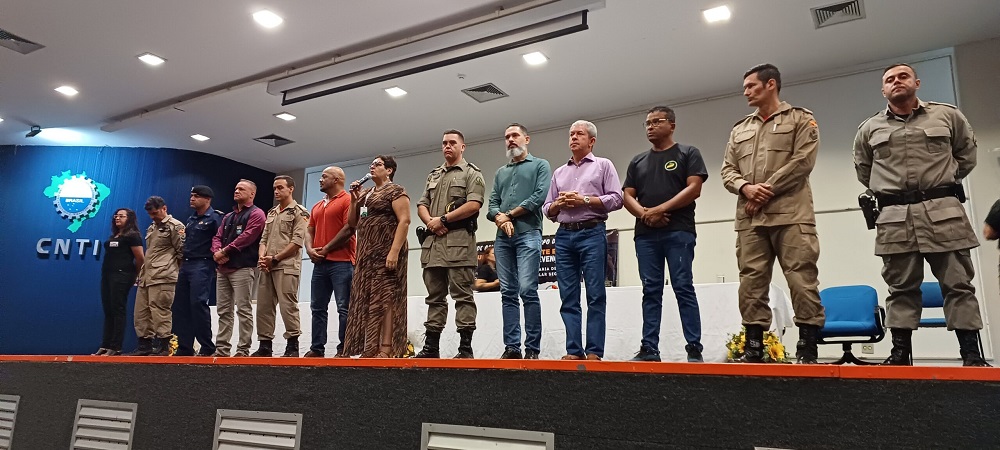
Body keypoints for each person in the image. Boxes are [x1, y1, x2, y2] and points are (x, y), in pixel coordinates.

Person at [853, 63, 989, 366]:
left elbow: (966, 156)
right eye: (890, 79)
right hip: (895, 218)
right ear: (883, 90)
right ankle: (899, 355)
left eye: (903, 76)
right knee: (900, 288)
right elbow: (865, 171)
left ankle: (971, 355)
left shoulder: (947, 115)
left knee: (958, 285)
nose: (896, 82)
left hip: (944, 214)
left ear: (917, 82)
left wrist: (941, 182)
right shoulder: (869, 128)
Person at [721, 63, 825, 364]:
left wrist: (764, 191)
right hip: (750, 219)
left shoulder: (801, 119)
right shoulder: (740, 129)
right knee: (751, 281)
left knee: (802, 279)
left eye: (751, 86)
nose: (746, 92)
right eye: (744, 87)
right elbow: (727, 170)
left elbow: (803, 161)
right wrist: (745, 188)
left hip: (791, 215)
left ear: (771, 85)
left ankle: (808, 349)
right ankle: (754, 348)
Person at [623, 106, 707, 363]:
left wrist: (660, 209)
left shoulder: (688, 153)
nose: (650, 126)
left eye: (656, 121)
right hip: (646, 236)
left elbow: (694, 188)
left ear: (672, 125)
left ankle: (694, 348)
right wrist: (645, 215)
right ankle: (649, 349)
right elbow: (627, 195)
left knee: (683, 286)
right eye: (647, 123)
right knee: (651, 289)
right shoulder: (637, 161)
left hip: (678, 231)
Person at [542, 120, 623, 361]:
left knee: (595, 294)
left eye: (579, 134)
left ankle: (594, 351)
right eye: (571, 134)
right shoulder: (559, 172)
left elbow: (616, 199)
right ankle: (574, 350)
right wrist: (559, 204)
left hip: (592, 232)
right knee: (568, 295)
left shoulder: (603, 165)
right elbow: (547, 208)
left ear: (592, 141)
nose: (574, 138)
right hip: (564, 235)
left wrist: (584, 200)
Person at [414, 129, 486, 359]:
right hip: (433, 245)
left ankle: (465, 349)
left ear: (462, 147)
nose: (447, 146)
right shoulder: (433, 175)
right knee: (434, 298)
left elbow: (474, 204)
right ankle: (431, 348)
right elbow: (421, 204)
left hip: (459, 244)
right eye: (444, 143)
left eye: (452, 143)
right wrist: (431, 222)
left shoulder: (471, 173)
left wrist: (443, 220)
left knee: (462, 296)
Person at [487, 123, 551, 359]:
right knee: (508, 292)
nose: (510, 140)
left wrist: (509, 215)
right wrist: (500, 218)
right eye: (507, 137)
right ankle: (512, 348)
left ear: (527, 139)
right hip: (503, 239)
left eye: (515, 135)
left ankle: (532, 348)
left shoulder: (540, 165)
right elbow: (492, 204)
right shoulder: (500, 172)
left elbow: (539, 197)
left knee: (527, 290)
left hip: (529, 234)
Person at [343, 155, 411, 358]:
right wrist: (354, 199)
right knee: (369, 298)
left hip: (387, 251)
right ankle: (370, 346)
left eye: (378, 164)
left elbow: (405, 221)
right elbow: (352, 223)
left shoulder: (396, 191)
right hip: (367, 253)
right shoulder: (365, 193)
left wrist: (394, 252)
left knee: (386, 297)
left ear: (389, 170)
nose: (372, 167)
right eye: (371, 164)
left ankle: (386, 348)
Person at [252, 175, 309, 357]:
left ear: (291, 189)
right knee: (263, 307)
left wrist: (275, 258)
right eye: (274, 188)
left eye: (280, 188)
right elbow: (264, 239)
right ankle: (265, 345)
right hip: (267, 266)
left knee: (287, 306)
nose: (276, 191)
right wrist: (262, 258)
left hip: (286, 266)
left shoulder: (300, 212)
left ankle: (292, 345)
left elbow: (297, 242)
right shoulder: (272, 213)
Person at [304, 166, 356, 357]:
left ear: (336, 180)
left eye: (324, 176)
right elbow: (309, 230)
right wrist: (309, 249)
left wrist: (326, 248)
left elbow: (349, 228)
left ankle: (344, 348)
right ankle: (317, 348)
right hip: (320, 264)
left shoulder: (348, 200)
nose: (320, 179)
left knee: (344, 307)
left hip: (342, 262)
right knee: (317, 308)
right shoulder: (317, 206)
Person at [211, 180, 265, 357]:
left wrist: (224, 251)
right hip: (223, 269)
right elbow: (217, 237)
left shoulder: (257, 214)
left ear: (252, 194)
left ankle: (243, 349)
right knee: (223, 311)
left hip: (243, 268)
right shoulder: (228, 216)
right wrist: (216, 252)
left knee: (243, 309)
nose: (236, 191)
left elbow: (247, 237)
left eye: (241, 189)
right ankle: (222, 349)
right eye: (235, 188)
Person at [126, 196, 184, 356]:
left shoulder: (175, 226)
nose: (153, 217)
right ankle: (144, 345)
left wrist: (170, 270)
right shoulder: (152, 227)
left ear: (164, 208)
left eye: (155, 213)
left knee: (160, 310)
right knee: (141, 312)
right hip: (147, 276)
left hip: (163, 276)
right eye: (150, 214)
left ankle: (164, 345)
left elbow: (182, 251)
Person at [172, 186, 222, 356]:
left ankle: (207, 346)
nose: (192, 198)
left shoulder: (215, 218)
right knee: (181, 306)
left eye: (196, 196)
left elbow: (219, 240)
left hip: (203, 263)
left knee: (197, 303)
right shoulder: (191, 219)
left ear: (207, 199)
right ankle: (185, 346)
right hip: (186, 264)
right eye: (191, 195)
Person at [93, 208, 144, 356]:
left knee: (118, 309)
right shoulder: (114, 235)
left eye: (122, 216)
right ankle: (105, 344)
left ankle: (116, 346)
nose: (117, 218)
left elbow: (140, 258)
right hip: (107, 275)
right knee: (108, 309)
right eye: (116, 216)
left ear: (129, 218)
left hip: (122, 275)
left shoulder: (133, 236)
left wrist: (135, 275)